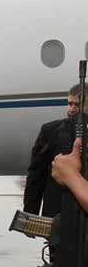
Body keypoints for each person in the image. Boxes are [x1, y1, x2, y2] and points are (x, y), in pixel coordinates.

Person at [24, 83, 88, 217]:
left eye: (77, 105)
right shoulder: (51, 131)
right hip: (58, 213)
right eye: (70, 104)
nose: (71, 109)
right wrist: (30, 211)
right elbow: (37, 174)